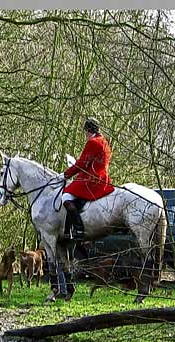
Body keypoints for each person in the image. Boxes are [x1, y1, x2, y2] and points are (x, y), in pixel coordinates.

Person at [49, 117, 114, 302]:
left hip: (92, 180)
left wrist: (65, 173)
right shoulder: (105, 141)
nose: (84, 135)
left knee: (66, 197)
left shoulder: (92, 142)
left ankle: (77, 229)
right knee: (70, 196)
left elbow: (81, 164)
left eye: (85, 131)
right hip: (102, 177)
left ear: (89, 130)